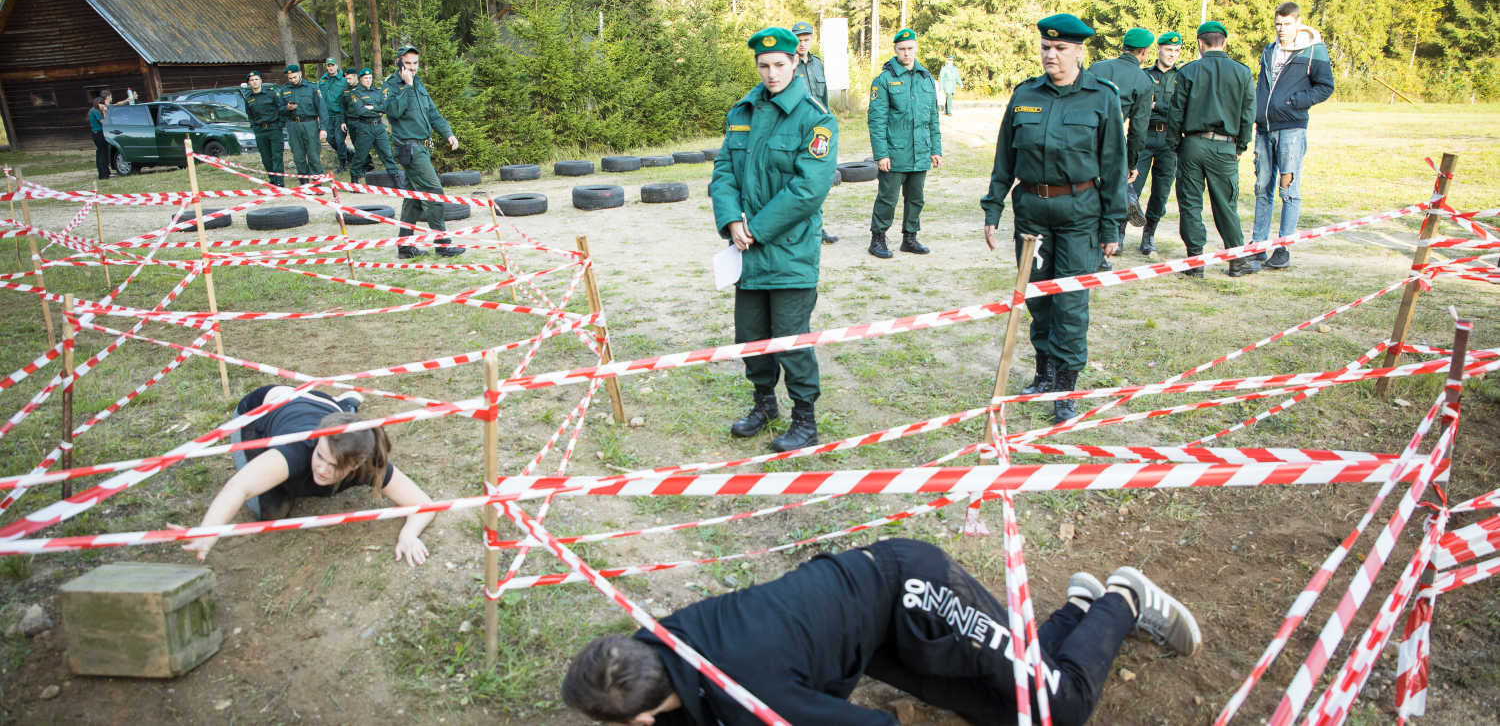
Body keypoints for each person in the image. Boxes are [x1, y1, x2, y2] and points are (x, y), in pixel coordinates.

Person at [561, 538, 1201, 726]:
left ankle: (1122, 597)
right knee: (1007, 715)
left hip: (913, 591)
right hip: (874, 640)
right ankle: (1079, 611)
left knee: (1059, 709)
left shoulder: (753, 697)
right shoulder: (656, 640)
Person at [981, 14, 1126, 424]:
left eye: (1061, 49)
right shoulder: (1025, 94)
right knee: (1040, 297)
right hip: (1032, 212)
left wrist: (1112, 224)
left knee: (1071, 301)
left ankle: (1065, 385)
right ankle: (1044, 374)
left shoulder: (1101, 96)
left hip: (1080, 212)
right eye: (1046, 47)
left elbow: (1115, 164)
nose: (1051, 54)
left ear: (1080, 51)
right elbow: (1004, 157)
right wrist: (994, 206)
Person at [710, 27, 838, 452]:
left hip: (790, 251)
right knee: (750, 334)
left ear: (795, 62)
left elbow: (808, 189)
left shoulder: (815, 117)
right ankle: (764, 404)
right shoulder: (741, 112)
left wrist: (756, 228)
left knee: (789, 338)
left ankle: (805, 420)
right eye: (763, 66)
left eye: (779, 64)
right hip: (745, 251)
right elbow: (724, 173)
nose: (771, 74)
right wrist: (730, 221)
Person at [179, 385, 436, 567]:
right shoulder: (297, 450)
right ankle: (343, 405)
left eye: (334, 465)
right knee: (269, 513)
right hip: (261, 410)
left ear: (356, 466)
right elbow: (239, 486)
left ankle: (344, 404)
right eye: (321, 456)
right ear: (319, 440)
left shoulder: (367, 461)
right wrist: (207, 532)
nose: (323, 468)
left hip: (320, 404)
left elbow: (424, 504)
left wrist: (409, 534)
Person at [1166, 21, 1260, 278]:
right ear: (1224, 42)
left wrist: (1175, 144)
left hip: (1193, 145)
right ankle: (1236, 261)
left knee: (1190, 204)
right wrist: (1240, 145)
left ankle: (1195, 262)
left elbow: (1176, 112)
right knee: (1226, 206)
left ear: (1200, 43)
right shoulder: (1242, 72)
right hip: (1225, 147)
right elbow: (1248, 113)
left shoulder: (1189, 71)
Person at [1252, 1, 1335, 270]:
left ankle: (1283, 248)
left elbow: (1325, 86)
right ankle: (1257, 247)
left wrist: (1295, 101)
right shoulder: (1269, 50)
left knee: (1288, 190)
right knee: (1262, 188)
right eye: (1278, 24)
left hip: (1292, 129)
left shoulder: (1313, 50)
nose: (1281, 29)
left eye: (1287, 24)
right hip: (1264, 129)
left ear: (1298, 23)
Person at [383, 44, 465, 259]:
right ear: (399, 62)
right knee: (434, 194)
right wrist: (407, 87)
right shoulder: (391, 86)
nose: (412, 68)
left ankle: (405, 247)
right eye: (407, 63)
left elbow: (433, 114)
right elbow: (392, 111)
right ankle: (443, 244)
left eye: (415, 63)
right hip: (410, 150)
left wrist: (448, 133)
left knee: (413, 200)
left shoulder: (419, 84)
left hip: (423, 148)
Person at [867, 28, 942, 258]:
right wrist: (881, 154)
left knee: (916, 198)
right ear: (895, 50)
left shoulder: (926, 78)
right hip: (894, 152)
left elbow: (933, 117)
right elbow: (876, 121)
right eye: (902, 49)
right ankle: (877, 239)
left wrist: (935, 149)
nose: (906, 53)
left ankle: (910, 238)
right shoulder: (884, 80)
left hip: (921, 151)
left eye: (910, 48)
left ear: (916, 48)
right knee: (888, 198)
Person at [1087, 27, 1155, 270]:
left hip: (1079, 139)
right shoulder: (1144, 81)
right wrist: (1131, 164)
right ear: (1145, 52)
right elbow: (1138, 130)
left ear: (1123, 47)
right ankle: (1099, 256)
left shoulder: (1097, 67)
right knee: (1106, 198)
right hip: (1109, 144)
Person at [791, 20, 839, 246]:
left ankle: (817, 228)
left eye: (806, 39)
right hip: (795, 131)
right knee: (796, 179)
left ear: (812, 39)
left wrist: (828, 126)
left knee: (816, 178)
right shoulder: (786, 64)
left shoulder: (817, 64)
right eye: (799, 40)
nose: (802, 43)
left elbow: (824, 99)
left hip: (818, 132)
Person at [1135, 32, 1183, 255]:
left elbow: (1181, 109)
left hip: (1169, 140)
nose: (1172, 54)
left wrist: (1156, 106)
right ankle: (1119, 234)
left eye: (1177, 51)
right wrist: (1155, 107)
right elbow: (1139, 105)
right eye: (1168, 50)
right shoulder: (1143, 75)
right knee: (1131, 187)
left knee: (1161, 192)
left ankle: (1148, 236)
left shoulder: (1182, 77)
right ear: (1159, 50)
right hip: (1144, 137)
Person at [342, 68, 404, 188]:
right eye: (366, 78)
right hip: (365, 127)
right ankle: (354, 179)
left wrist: (372, 107)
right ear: (360, 79)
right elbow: (360, 111)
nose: (368, 80)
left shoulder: (377, 91)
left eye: (370, 78)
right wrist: (377, 110)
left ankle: (396, 180)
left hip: (379, 128)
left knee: (387, 154)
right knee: (361, 155)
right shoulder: (356, 93)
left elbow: (385, 108)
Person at [276, 63, 328, 186]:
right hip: (293, 125)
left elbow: (322, 109)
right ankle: (304, 183)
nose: (293, 80)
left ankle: (317, 183)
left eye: (294, 77)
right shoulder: (284, 89)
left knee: (313, 154)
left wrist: (323, 128)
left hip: (310, 124)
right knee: (298, 156)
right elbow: (279, 109)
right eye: (290, 78)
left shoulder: (312, 87)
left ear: (300, 74)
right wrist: (287, 108)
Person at [243, 70, 285, 188]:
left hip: (274, 128)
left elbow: (280, 108)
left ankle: (279, 182)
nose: (254, 82)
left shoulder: (271, 94)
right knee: (266, 157)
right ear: (249, 83)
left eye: (256, 79)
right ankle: (272, 180)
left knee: (277, 156)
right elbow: (250, 115)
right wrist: (254, 127)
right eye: (252, 80)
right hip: (260, 131)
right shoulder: (248, 98)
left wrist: (280, 124)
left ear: (261, 81)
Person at [318, 58, 354, 173]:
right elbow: (319, 98)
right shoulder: (322, 81)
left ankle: (343, 162)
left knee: (339, 140)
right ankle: (349, 154)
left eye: (333, 65)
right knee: (329, 138)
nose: (331, 68)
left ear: (337, 65)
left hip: (339, 114)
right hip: (327, 115)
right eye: (328, 66)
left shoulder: (343, 81)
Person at [88, 95, 111, 180]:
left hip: (95, 133)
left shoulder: (92, 111)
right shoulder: (96, 111)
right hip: (99, 133)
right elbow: (104, 122)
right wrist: (105, 112)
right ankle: (105, 174)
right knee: (103, 153)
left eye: (103, 103)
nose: (102, 105)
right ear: (97, 103)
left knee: (100, 152)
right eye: (100, 104)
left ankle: (101, 173)